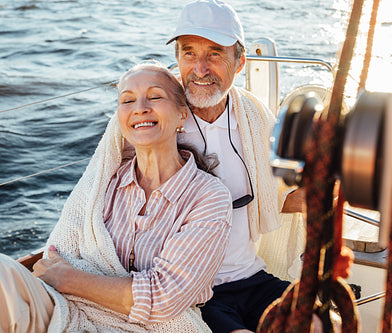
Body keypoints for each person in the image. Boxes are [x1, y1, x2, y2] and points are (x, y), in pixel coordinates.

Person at [0, 61, 233, 332]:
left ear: (182, 115)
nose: (140, 107)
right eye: (127, 100)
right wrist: (65, 279)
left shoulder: (209, 197)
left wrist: (69, 279)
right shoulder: (103, 181)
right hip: (72, 309)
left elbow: (164, 298)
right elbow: (56, 256)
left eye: (155, 96)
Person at [166, 1, 355, 332]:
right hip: (194, 292)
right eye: (189, 53)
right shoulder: (158, 114)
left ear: (240, 63)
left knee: (327, 325)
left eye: (214, 54)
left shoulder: (252, 117)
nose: (199, 68)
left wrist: (330, 188)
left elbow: (271, 200)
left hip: (250, 277)